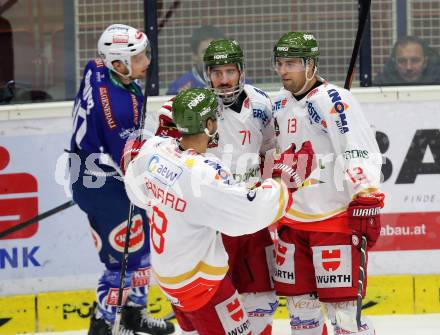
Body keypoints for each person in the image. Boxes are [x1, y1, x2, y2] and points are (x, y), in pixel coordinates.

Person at [123, 88, 315, 335]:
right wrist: (285, 181)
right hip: (200, 284)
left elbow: (136, 192)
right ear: (209, 124)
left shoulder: (154, 150)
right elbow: (247, 213)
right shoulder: (203, 173)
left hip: (169, 278)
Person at [147, 39, 278, 334]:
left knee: (263, 299)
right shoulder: (193, 107)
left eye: (230, 71)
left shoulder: (260, 102)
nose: (223, 79)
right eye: (216, 72)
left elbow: (270, 149)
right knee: (218, 303)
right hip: (214, 222)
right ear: (207, 73)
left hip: (250, 214)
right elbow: (167, 152)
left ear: (241, 71)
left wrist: (270, 188)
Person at [271, 32, 384, 335]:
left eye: (292, 63)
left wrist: (367, 196)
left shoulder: (335, 100)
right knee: (301, 314)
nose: (284, 70)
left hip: (332, 223)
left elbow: (357, 149)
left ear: (311, 64)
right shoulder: (278, 104)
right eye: (280, 63)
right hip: (292, 224)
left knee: (345, 316)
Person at [69, 24, 174, 335]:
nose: (146, 62)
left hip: (93, 175)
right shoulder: (119, 109)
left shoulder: (96, 66)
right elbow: (130, 161)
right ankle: (103, 323)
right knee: (125, 259)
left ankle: (132, 314)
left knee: (136, 252)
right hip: (105, 185)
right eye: (139, 57)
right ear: (119, 63)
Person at [166, 25, 224, 95]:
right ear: (195, 56)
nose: (212, 57)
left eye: (216, 51)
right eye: (205, 52)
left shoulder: (235, 79)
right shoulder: (179, 86)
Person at [375, 35, 440, 85]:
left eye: (415, 60)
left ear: (425, 63)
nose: (409, 67)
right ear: (395, 63)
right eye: (402, 61)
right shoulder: (381, 84)